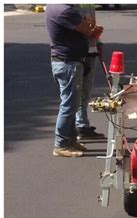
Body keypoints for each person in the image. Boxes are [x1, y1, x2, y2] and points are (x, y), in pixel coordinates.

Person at [46, 4, 103, 157]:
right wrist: (90, 26)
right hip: (68, 63)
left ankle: (69, 140)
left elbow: (83, 27)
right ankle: (61, 144)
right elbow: (87, 30)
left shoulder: (56, 7)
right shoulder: (65, 10)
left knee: (72, 103)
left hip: (66, 62)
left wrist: (87, 24)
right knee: (69, 105)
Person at [76, 4, 105, 140]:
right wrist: (90, 32)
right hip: (77, 52)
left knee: (85, 91)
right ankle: (78, 125)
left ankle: (82, 123)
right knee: (76, 92)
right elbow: (75, 26)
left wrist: (97, 40)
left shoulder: (89, 4)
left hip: (90, 48)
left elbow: (90, 24)